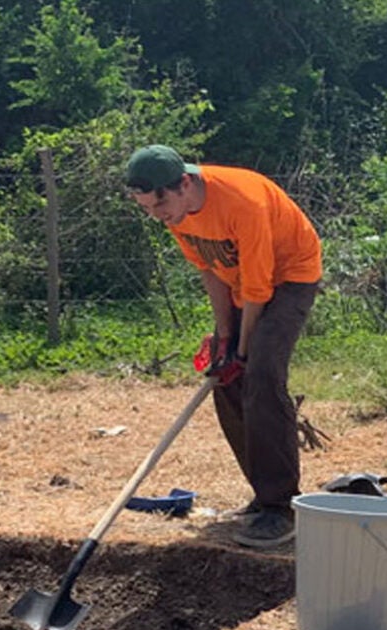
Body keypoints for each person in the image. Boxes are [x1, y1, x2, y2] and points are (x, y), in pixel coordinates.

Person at [123, 144, 322, 548]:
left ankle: (280, 507)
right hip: (242, 286)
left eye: (158, 206)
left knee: (260, 373)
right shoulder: (175, 211)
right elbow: (211, 272)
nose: (155, 216)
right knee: (225, 379)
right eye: (145, 208)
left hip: (290, 276)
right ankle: (263, 493)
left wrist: (244, 350)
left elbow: (259, 287)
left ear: (184, 183)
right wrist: (224, 340)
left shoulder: (241, 201)